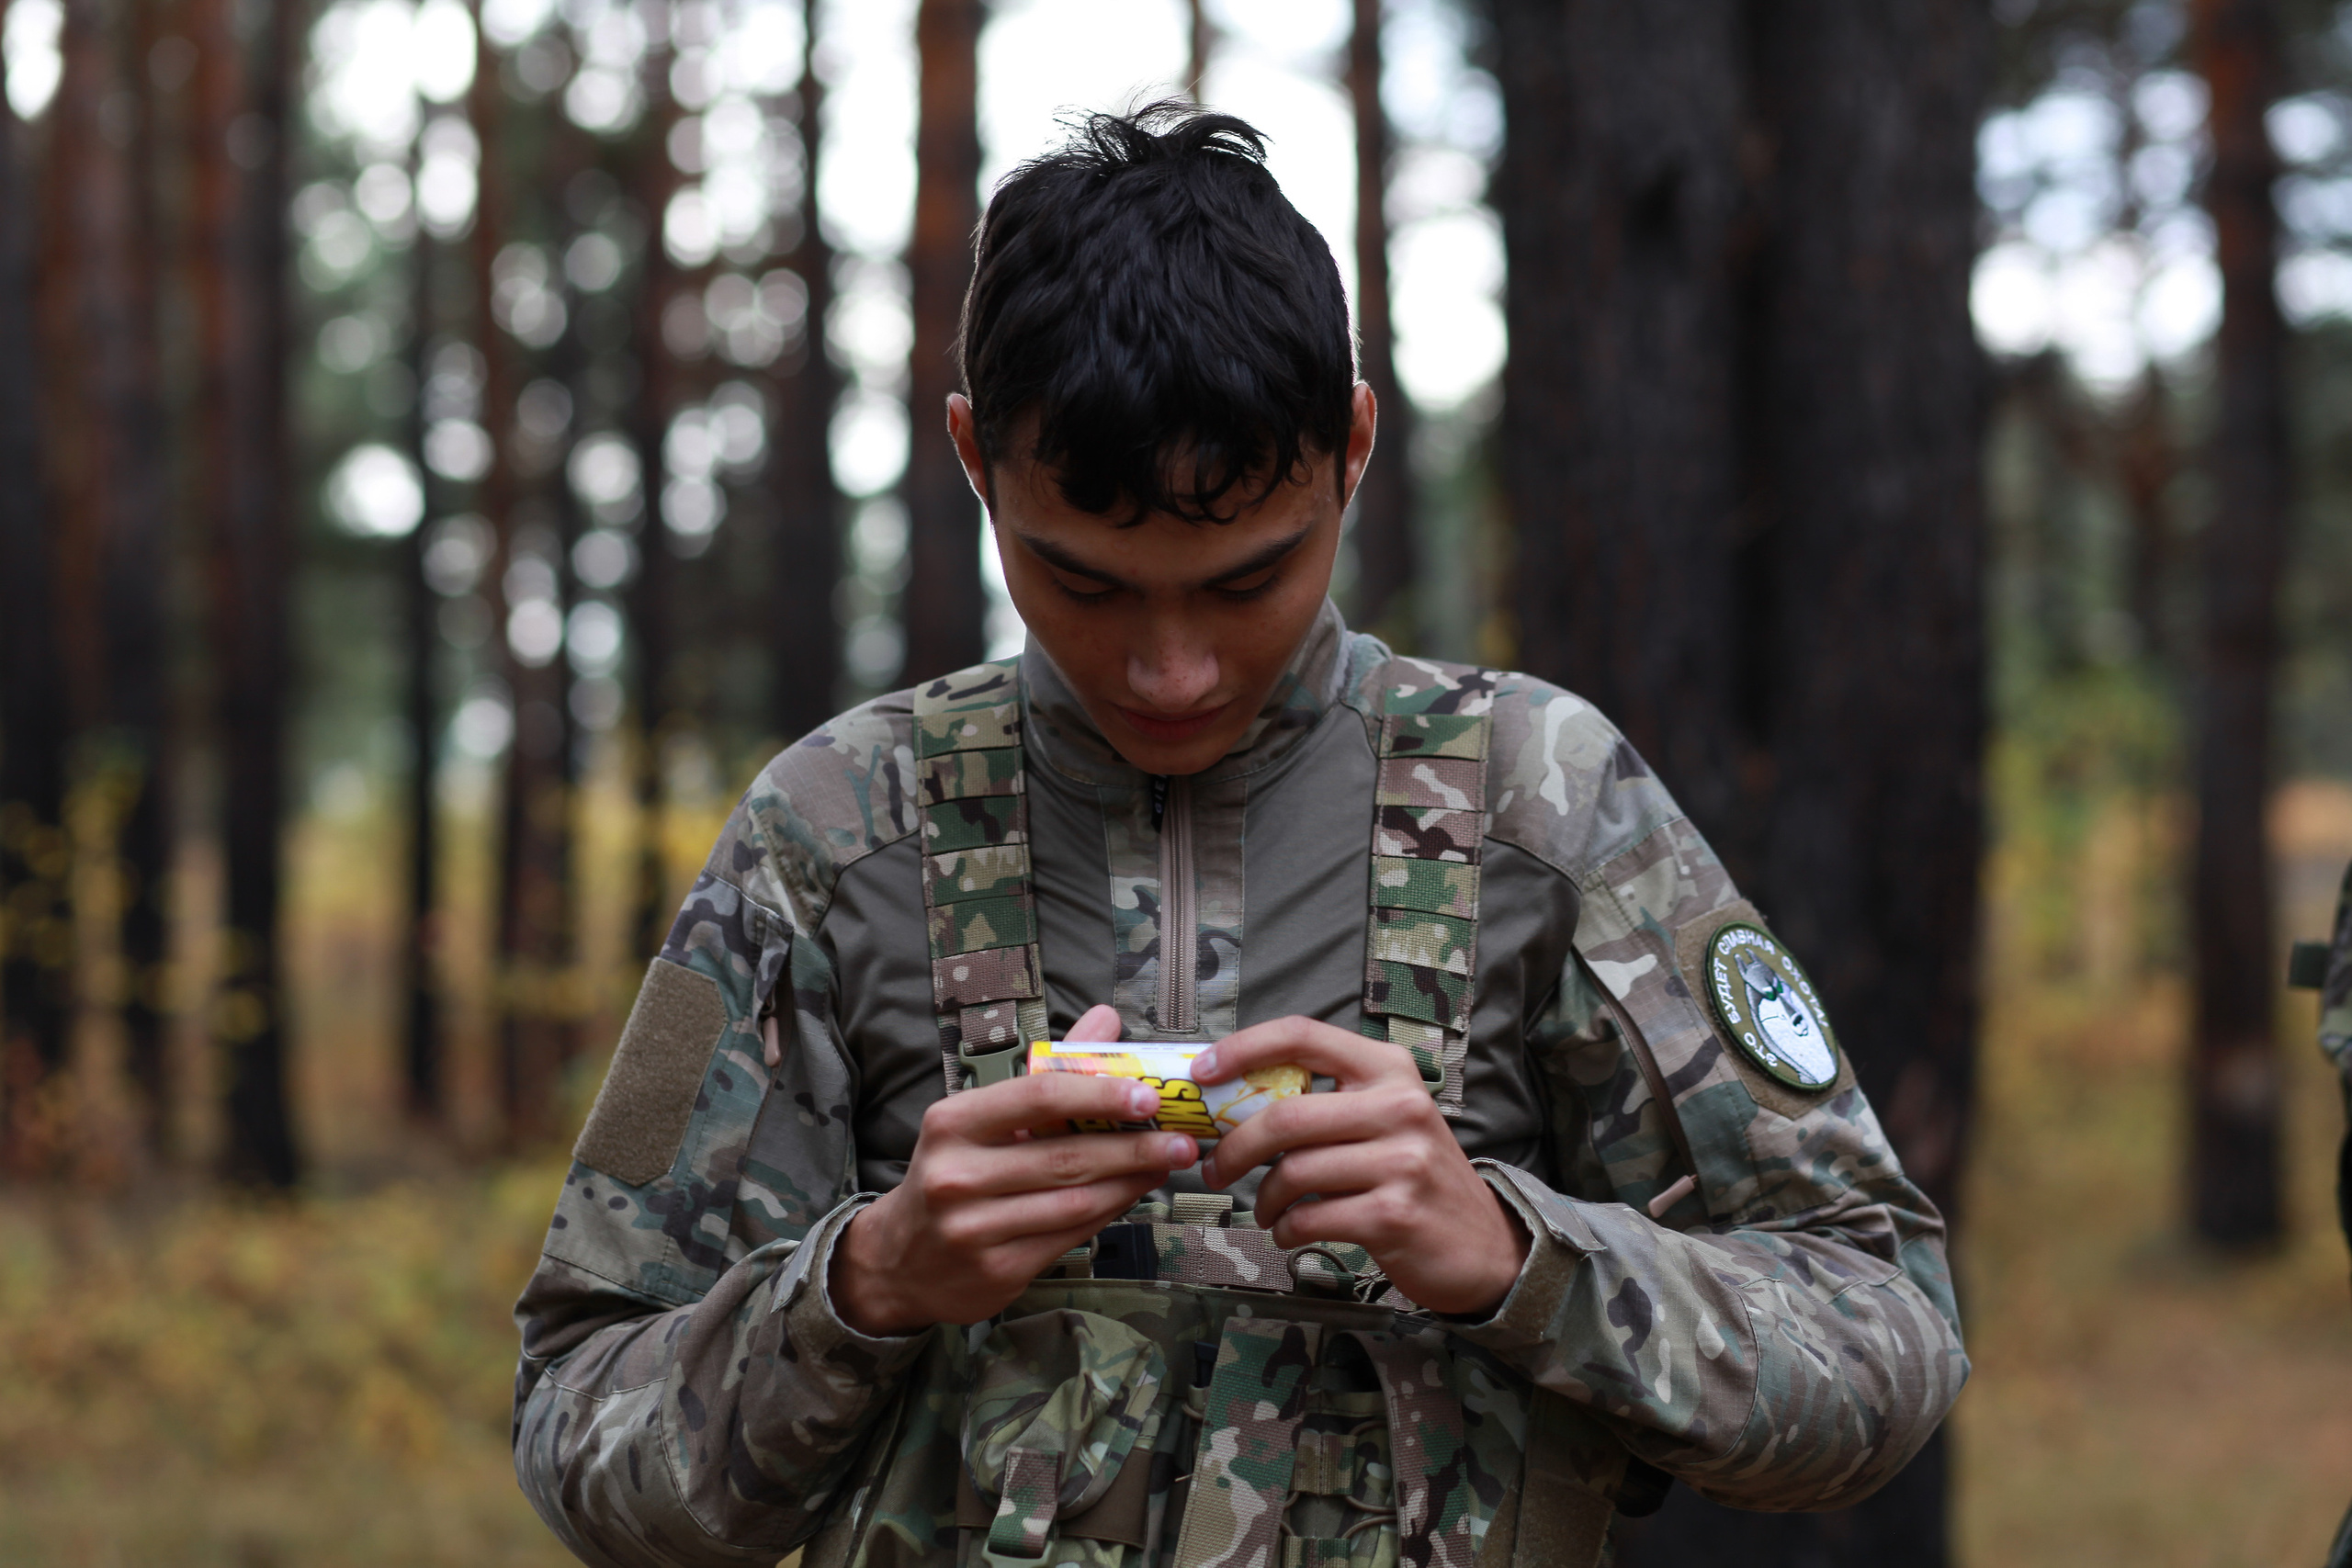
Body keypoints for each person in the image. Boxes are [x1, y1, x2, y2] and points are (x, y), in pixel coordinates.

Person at [510, 103, 1966, 1568]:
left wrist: (1524, 1262)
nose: (1171, 672)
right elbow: (580, 1420)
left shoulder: (1546, 801)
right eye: (1080, 583)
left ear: (1351, 445)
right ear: (972, 457)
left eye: (1245, 580)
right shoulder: (832, 834)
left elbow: (1886, 1337)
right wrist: (868, 1284)